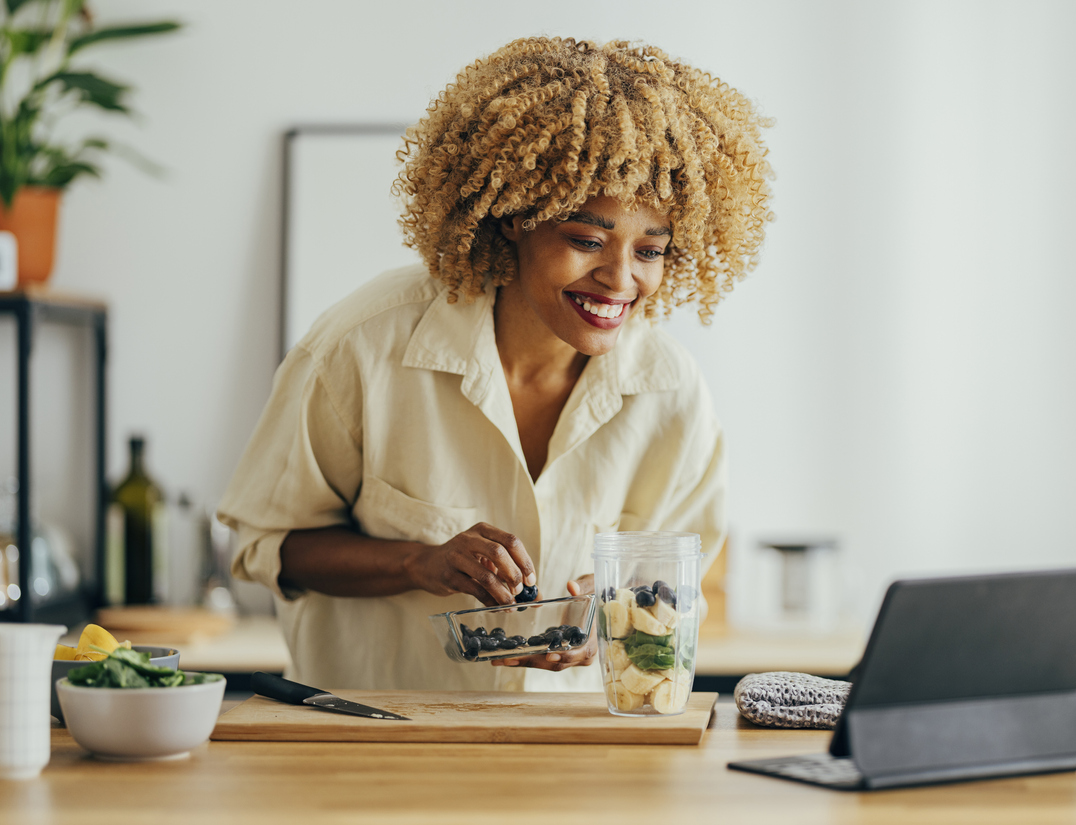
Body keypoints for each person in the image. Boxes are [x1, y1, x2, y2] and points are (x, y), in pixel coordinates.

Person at [218, 37, 774, 691]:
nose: (619, 280)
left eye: (649, 250)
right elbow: (264, 547)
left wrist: (620, 614)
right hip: (378, 750)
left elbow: (686, 587)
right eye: (586, 239)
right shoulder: (361, 347)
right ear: (512, 216)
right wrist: (419, 563)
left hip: (573, 763)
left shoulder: (672, 393)